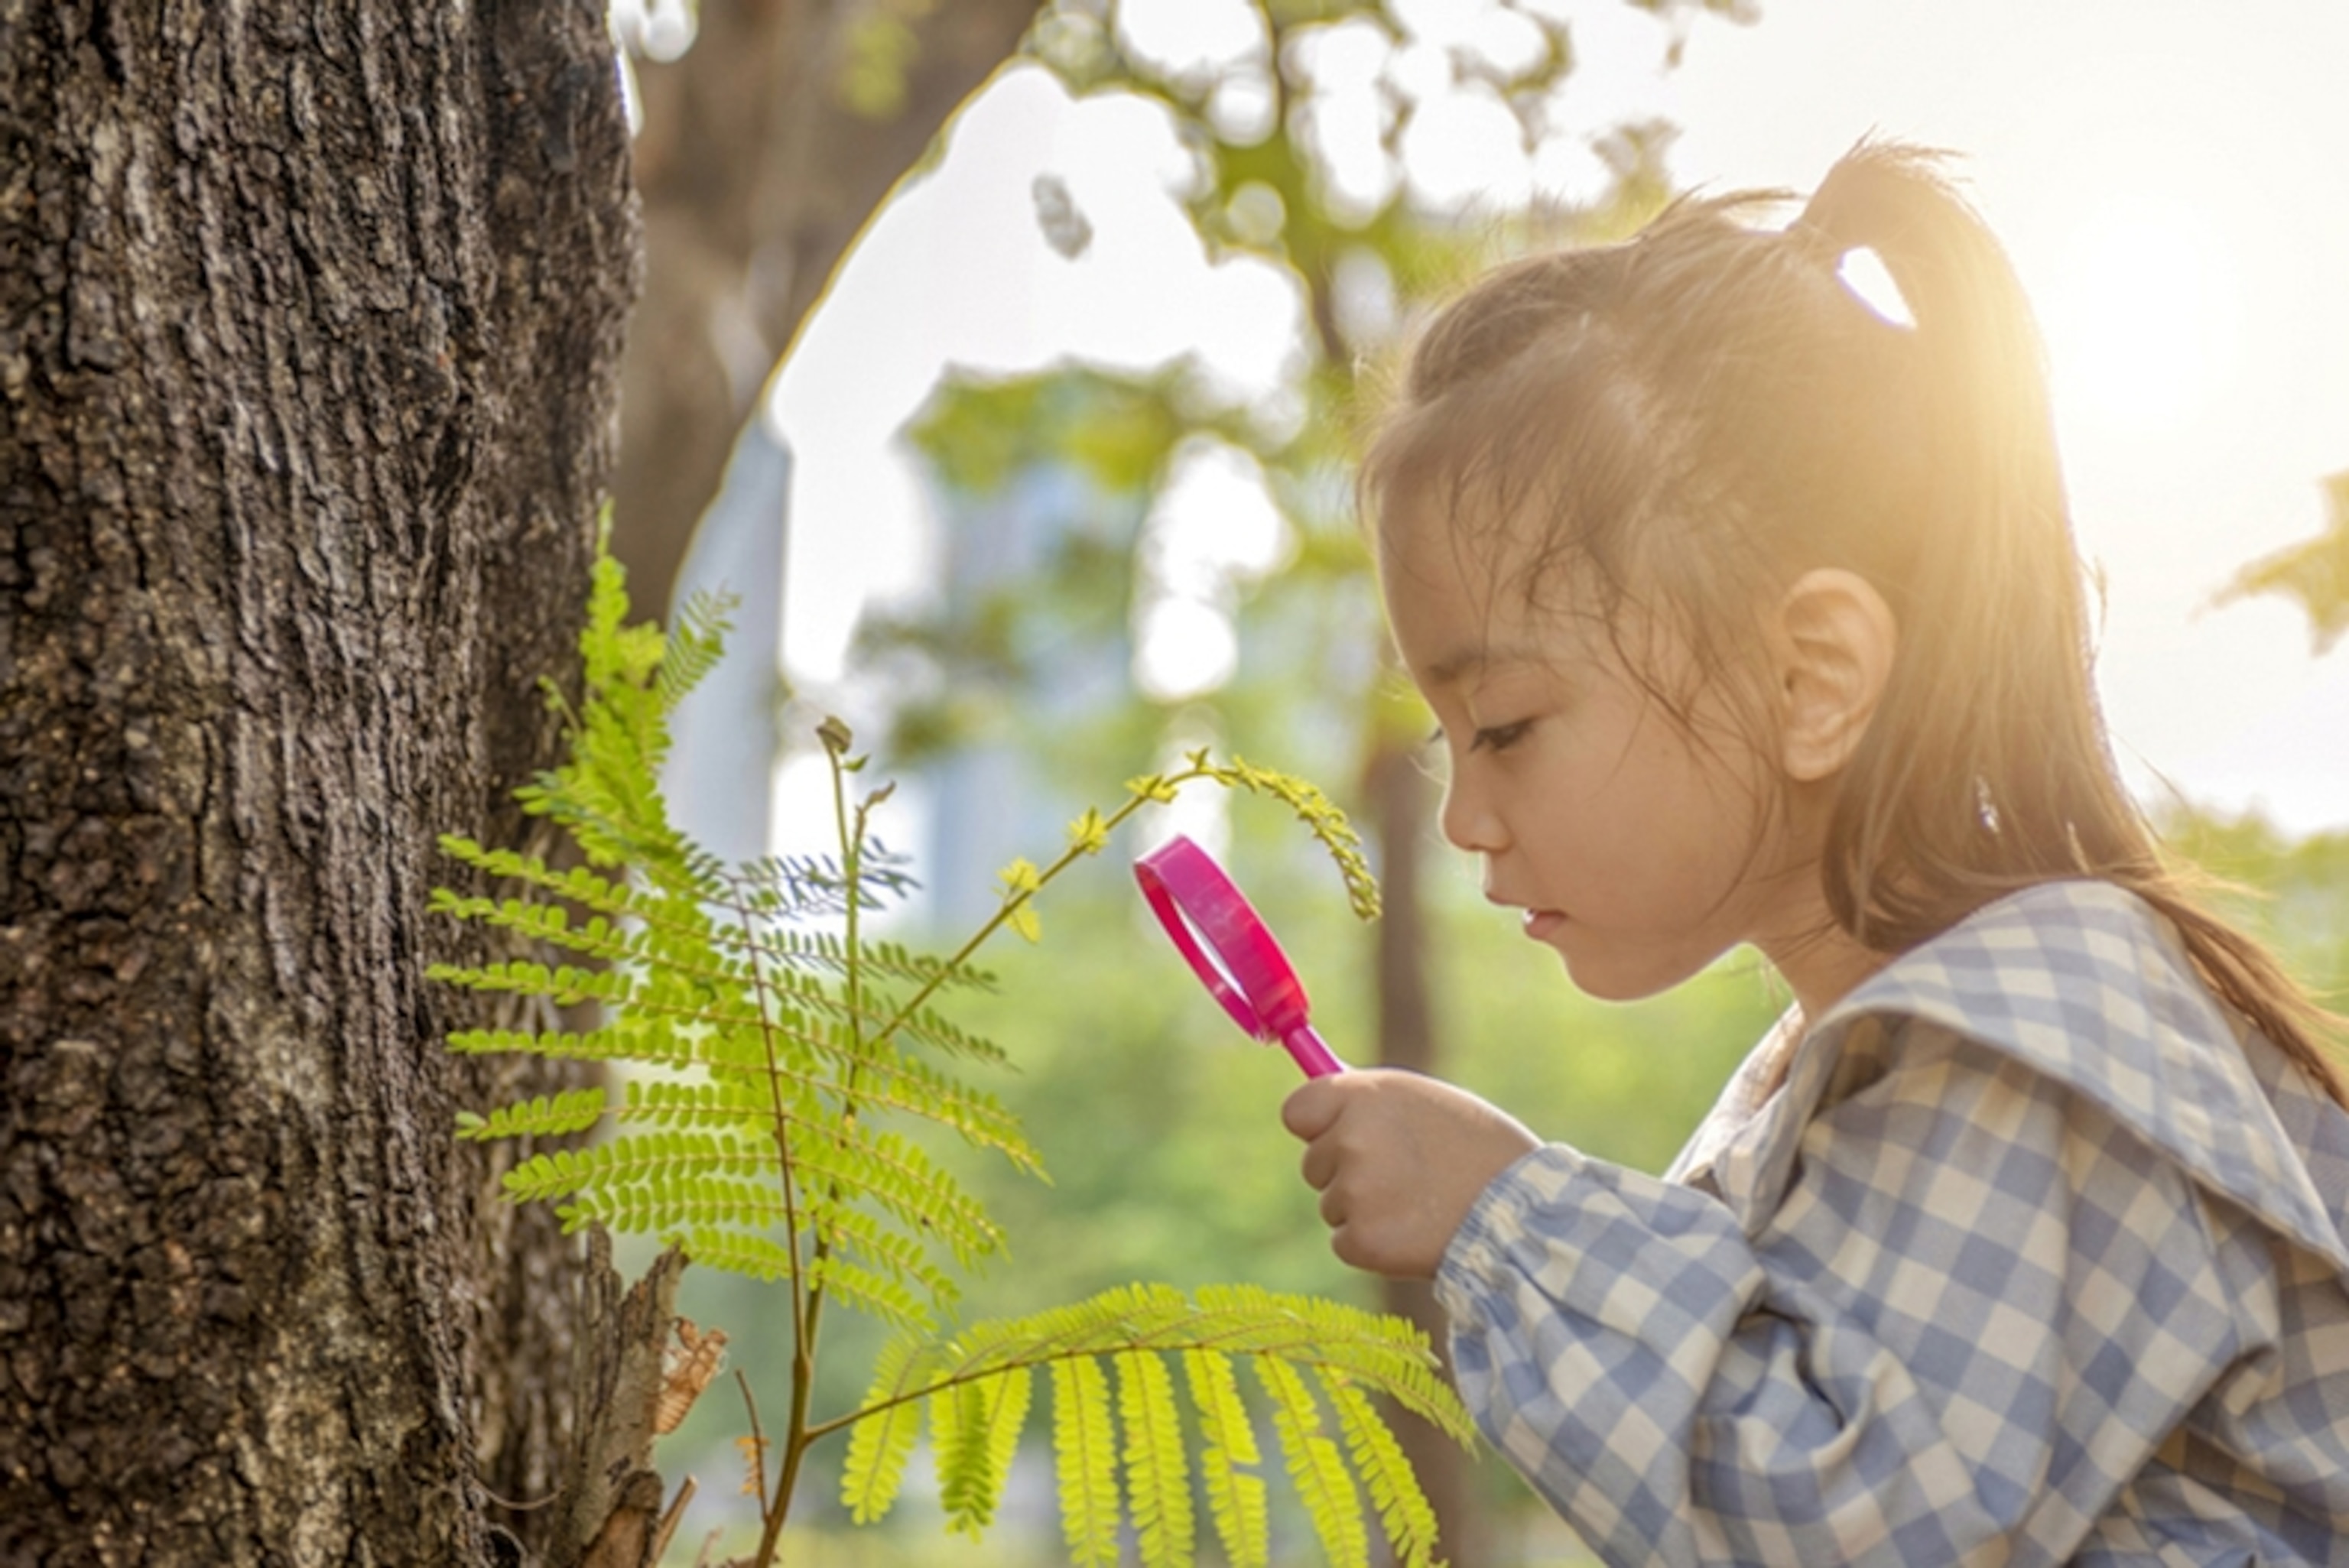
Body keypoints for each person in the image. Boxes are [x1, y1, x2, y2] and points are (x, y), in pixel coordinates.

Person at [1282, 141, 2349, 1564]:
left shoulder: (2036, 1036)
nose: (1469, 816)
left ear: (1811, 677)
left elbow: (1851, 1515)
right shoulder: (1861, 1066)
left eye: (1510, 724)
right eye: (1446, 743)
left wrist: (1504, 1216)